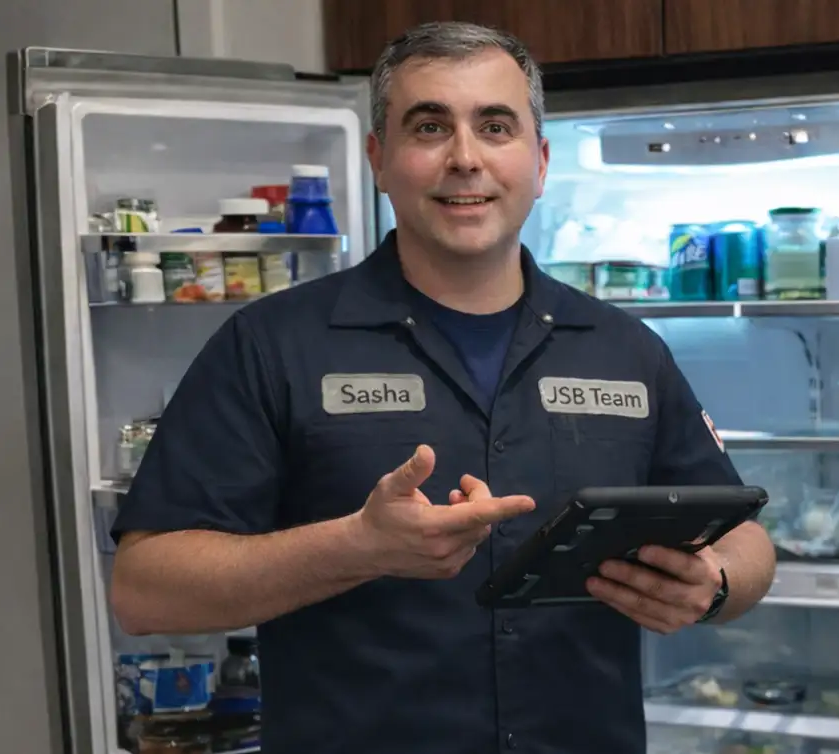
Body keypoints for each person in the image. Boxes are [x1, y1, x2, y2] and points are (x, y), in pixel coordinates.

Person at [110, 20, 776, 754]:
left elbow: (745, 539)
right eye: (429, 127)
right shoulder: (270, 345)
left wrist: (712, 582)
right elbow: (146, 589)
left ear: (541, 159)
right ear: (379, 158)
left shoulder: (626, 350)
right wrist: (357, 546)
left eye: (496, 126)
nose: (466, 159)